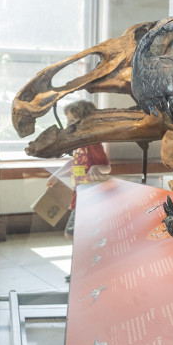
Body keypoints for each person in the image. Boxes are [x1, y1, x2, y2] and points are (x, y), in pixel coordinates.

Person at [49, 100, 111, 242]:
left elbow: (107, 167)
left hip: (90, 196)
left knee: (73, 234)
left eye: (72, 121)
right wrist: (56, 174)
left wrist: (96, 167)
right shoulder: (78, 144)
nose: (67, 126)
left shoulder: (92, 143)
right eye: (67, 121)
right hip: (79, 193)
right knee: (80, 235)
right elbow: (74, 162)